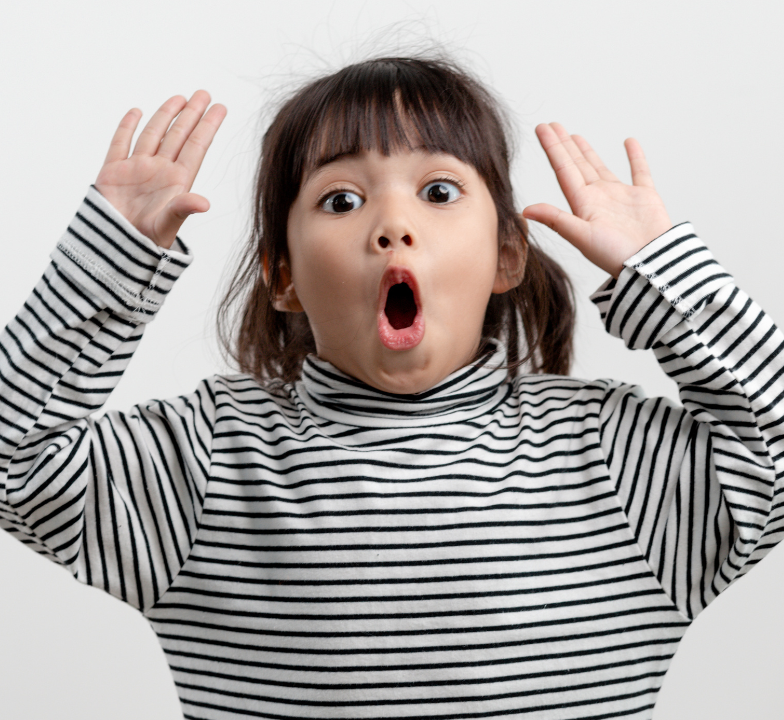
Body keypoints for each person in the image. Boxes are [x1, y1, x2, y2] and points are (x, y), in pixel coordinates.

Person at [0, 55, 781, 720]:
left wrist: (662, 267)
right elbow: (14, 463)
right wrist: (107, 261)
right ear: (285, 277)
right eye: (342, 200)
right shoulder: (210, 460)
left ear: (508, 255)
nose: (393, 224)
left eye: (439, 192)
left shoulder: (612, 458)